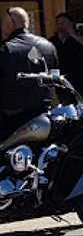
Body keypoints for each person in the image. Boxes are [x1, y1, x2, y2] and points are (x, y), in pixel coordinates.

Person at [0, 7, 59, 140]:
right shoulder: (48, 46)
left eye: (3, 22)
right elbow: (55, 80)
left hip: (12, 120)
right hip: (43, 117)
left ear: (11, 23)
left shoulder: (6, 49)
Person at [50, 12, 83, 102]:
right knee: (68, 113)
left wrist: (74, 35)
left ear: (71, 23)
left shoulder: (81, 36)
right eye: (58, 23)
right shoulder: (53, 40)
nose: (61, 26)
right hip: (64, 85)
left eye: (63, 23)